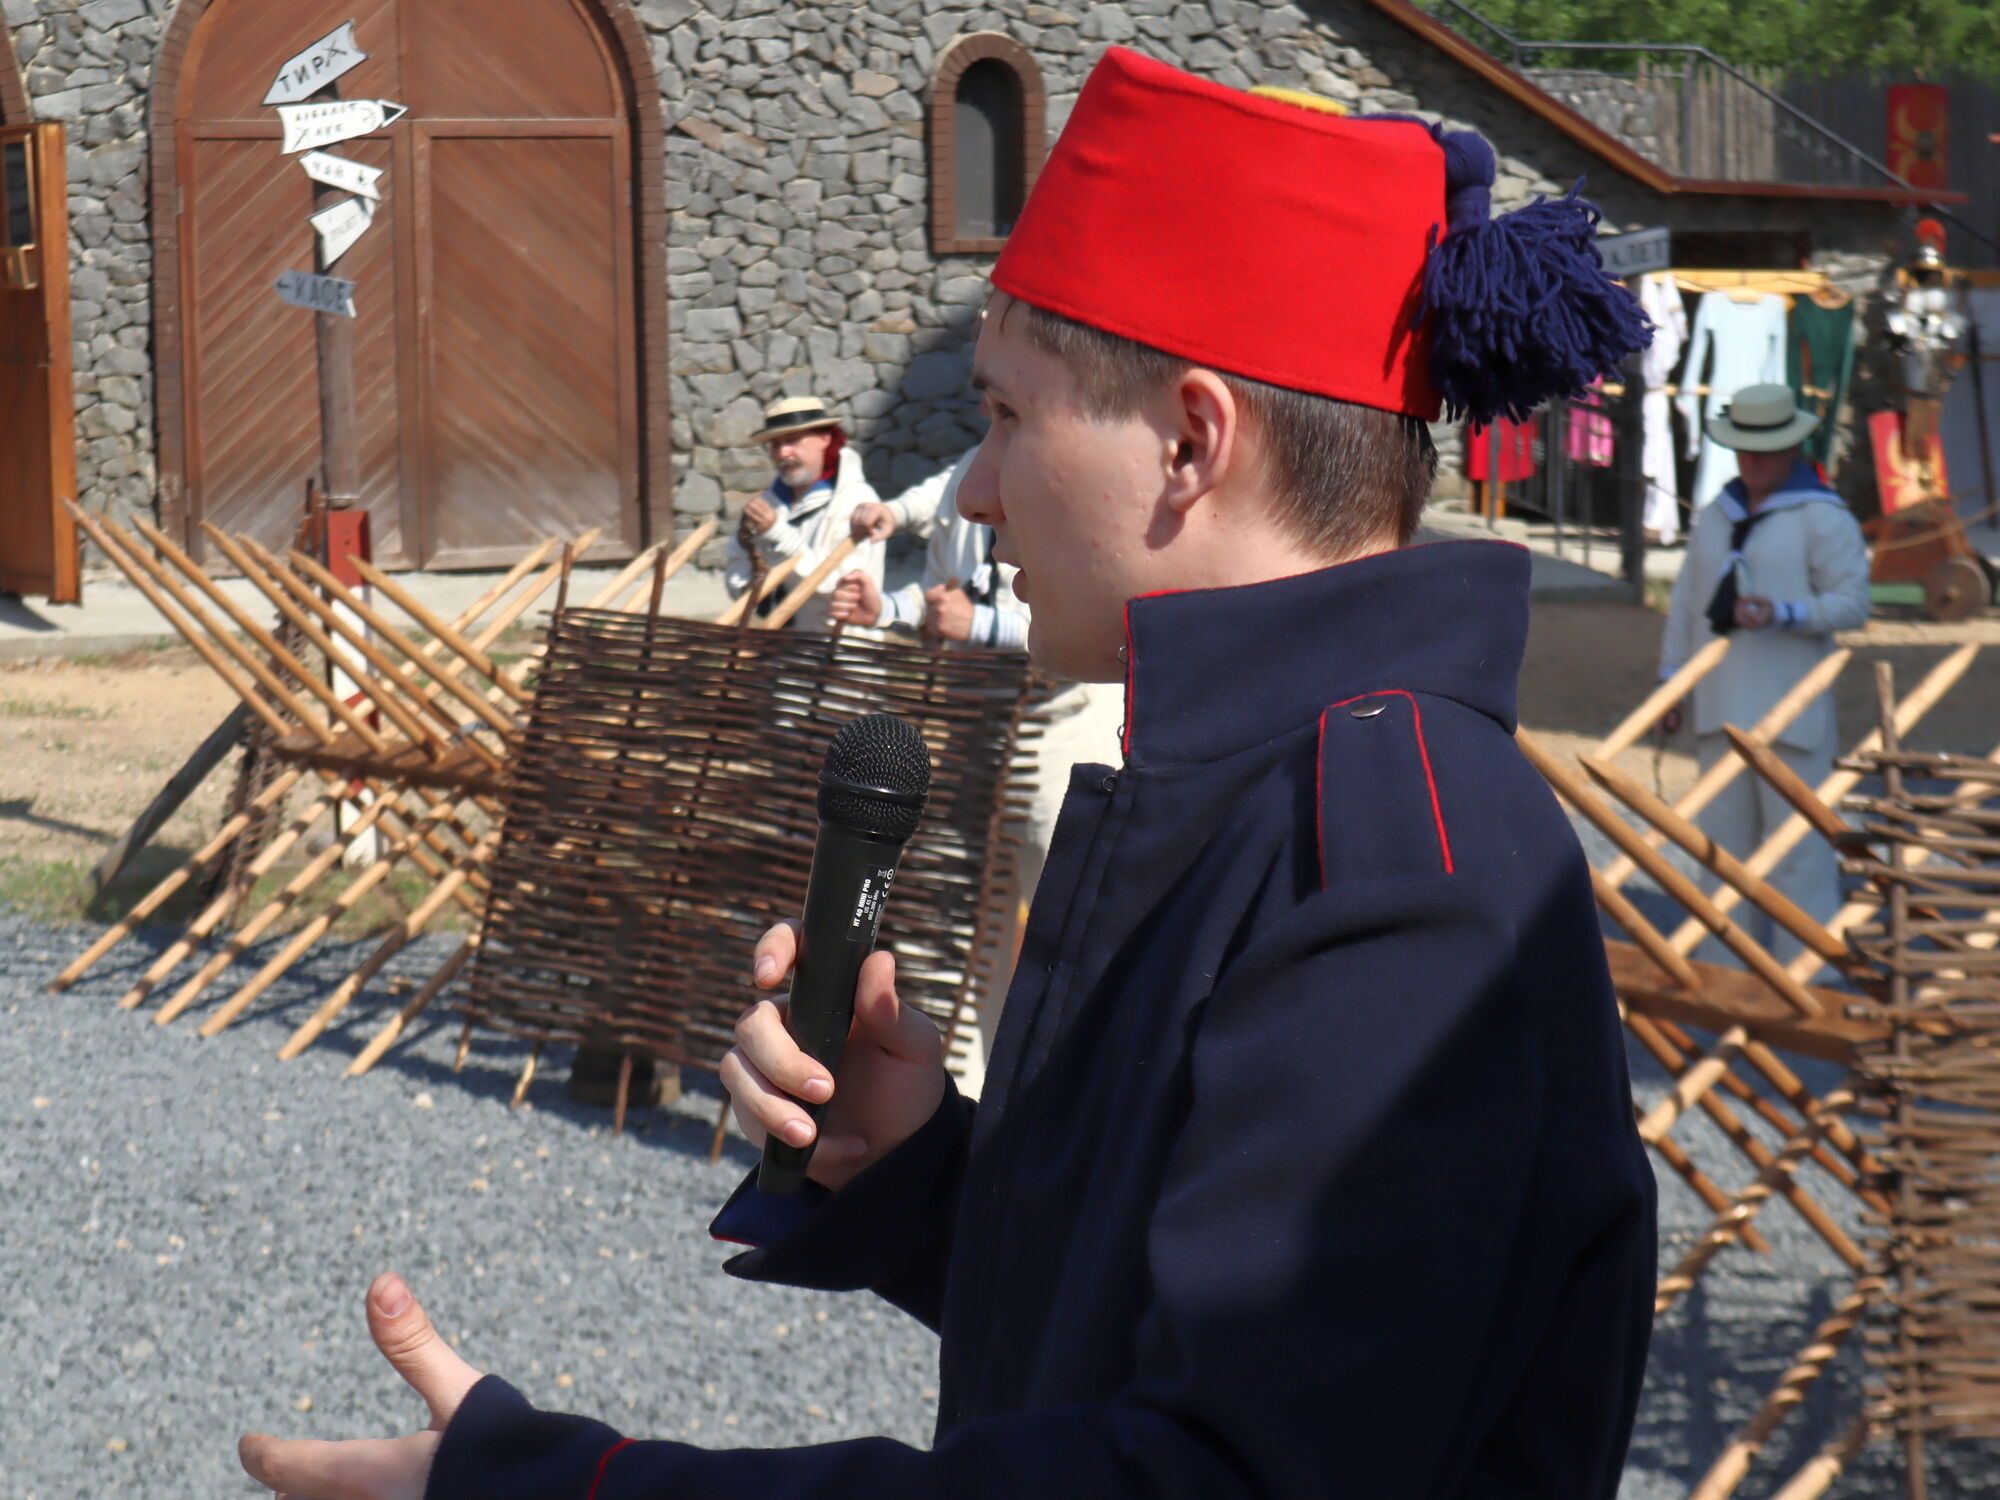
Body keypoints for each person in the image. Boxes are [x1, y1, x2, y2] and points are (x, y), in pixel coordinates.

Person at [237, 49, 1657, 1500]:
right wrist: (917, 1163)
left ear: (1189, 440)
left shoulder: (1391, 868)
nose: (975, 490)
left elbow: (1217, 1478)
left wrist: (573, 1490)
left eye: (1008, 417)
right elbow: (1174, 1334)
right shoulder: (1267, 785)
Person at [1659, 382, 1871, 959]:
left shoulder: (1823, 517)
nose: (1753, 461)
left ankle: (1811, 969)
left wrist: (1786, 613)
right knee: (1721, 848)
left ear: (1792, 449)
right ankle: (1726, 967)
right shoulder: (1716, 515)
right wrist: (1671, 683)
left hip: (1792, 709)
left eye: (1766, 450)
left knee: (1800, 848)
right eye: (1744, 449)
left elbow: (1854, 604)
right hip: (1721, 709)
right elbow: (1686, 604)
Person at [723, 395, 886, 632]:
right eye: (775, 444)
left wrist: (777, 533)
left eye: (792, 441)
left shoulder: (858, 502)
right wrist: (753, 578)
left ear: (824, 439)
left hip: (839, 648)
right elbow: (738, 578)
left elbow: (835, 587)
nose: (783, 453)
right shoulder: (768, 503)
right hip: (778, 648)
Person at [832, 451, 1027, 649]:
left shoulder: (1041, 478)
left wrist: (980, 625)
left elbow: (1045, 634)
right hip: (964, 667)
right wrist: (885, 609)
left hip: (1032, 670)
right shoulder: (975, 462)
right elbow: (938, 600)